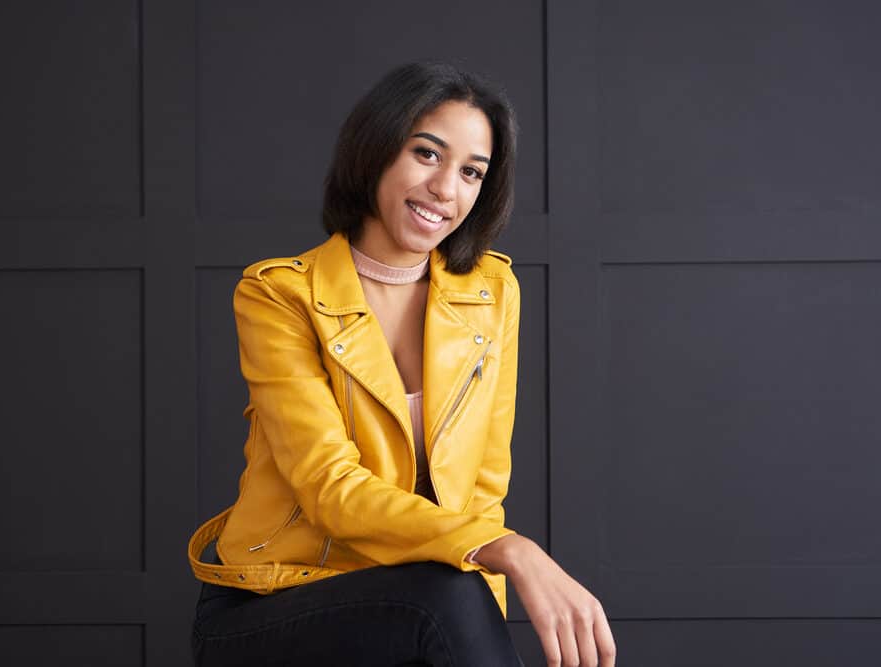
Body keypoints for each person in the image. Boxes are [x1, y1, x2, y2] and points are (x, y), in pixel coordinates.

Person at [188, 62, 616, 666]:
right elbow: (330, 489)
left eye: (472, 172)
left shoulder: (493, 293)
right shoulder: (279, 294)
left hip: (424, 603)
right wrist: (511, 550)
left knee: (450, 593)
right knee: (444, 594)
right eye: (426, 154)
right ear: (376, 150)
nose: (447, 188)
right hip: (277, 600)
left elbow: (482, 495)